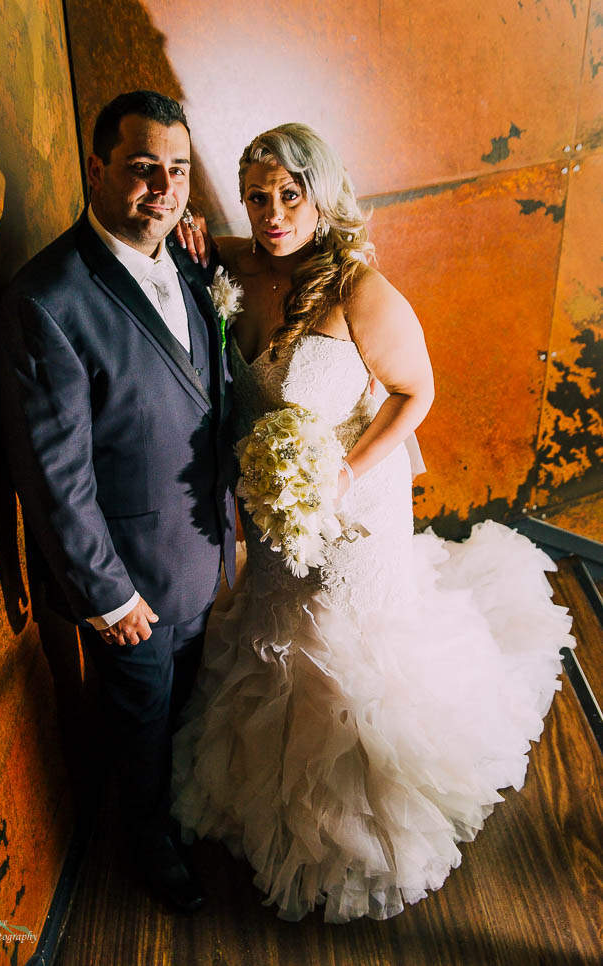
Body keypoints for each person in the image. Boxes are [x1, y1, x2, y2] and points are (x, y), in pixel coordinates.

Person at [170, 123, 573, 922]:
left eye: (291, 194)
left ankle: (347, 822)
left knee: (341, 648)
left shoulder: (360, 288)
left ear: (321, 193)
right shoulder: (234, 264)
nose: (274, 211)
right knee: (276, 633)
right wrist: (194, 234)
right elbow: (202, 242)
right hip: (277, 510)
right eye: (258, 196)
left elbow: (416, 392)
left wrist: (342, 475)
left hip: (354, 506)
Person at [0, 90, 235, 913]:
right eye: (141, 170)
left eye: (175, 170)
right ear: (95, 168)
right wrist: (107, 595)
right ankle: (146, 844)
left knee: (185, 708)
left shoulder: (188, 263)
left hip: (202, 555)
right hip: (130, 583)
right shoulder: (47, 299)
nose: (163, 188)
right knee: (137, 727)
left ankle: (182, 809)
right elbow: (54, 475)